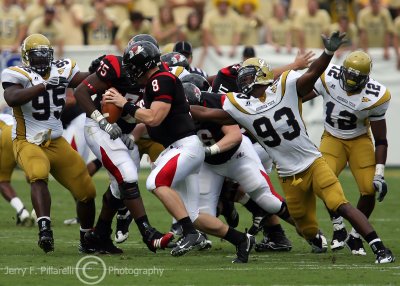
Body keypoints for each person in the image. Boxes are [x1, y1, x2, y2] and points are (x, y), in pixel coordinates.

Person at [189, 31, 395, 264]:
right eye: (243, 78)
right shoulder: (241, 106)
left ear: (262, 77)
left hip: (312, 162)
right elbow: (210, 114)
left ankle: (379, 248)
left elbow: (313, 72)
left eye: (248, 78)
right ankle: (317, 239)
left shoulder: (286, 86)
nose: (243, 83)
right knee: (305, 227)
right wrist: (179, 106)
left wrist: (328, 52)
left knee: (340, 204)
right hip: (287, 173)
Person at [104, 40, 255, 262]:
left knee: (154, 182)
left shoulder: (161, 80)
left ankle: (190, 233)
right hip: (181, 148)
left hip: (186, 146)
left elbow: (155, 117)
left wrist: (124, 104)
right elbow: (147, 117)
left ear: (142, 65)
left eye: (132, 66)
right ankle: (241, 240)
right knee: (194, 215)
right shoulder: (155, 82)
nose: (130, 72)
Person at [73, 44, 174, 253]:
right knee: (127, 175)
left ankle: (99, 234)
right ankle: (148, 233)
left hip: (123, 133)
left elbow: (148, 112)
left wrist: (132, 132)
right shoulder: (116, 66)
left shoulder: (158, 77)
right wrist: (102, 121)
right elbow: (81, 91)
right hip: (99, 126)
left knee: (120, 187)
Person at [1, 34, 96, 253]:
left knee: (86, 190)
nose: (43, 59)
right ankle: (45, 229)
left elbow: (84, 79)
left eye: (45, 54)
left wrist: (102, 71)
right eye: (37, 55)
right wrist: (42, 86)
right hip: (27, 140)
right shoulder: (17, 73)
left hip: (55, 139)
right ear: (26, 57)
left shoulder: (61, 68)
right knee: (38, 172)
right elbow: (12, 98)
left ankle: (86, 238)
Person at [304, 50, 391, 255]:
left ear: (366, 78)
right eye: (348, 74)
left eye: (356, 77)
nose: (350, 80)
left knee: (369, 189)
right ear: (342, 70)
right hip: (332, 137)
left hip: (359, 140)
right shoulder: (328, 77)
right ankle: (338, 226)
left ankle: (355, 235)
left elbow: (381, 139)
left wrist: (380, 173)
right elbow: (298, 96)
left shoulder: (377, 96)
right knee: (321, 182)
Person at [0, 113, 33, 226]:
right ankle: (37, 212)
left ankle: (22, 211)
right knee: (35, 175)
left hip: (8, 134)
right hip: (24, 133)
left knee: (2, 180)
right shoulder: (7, 116)